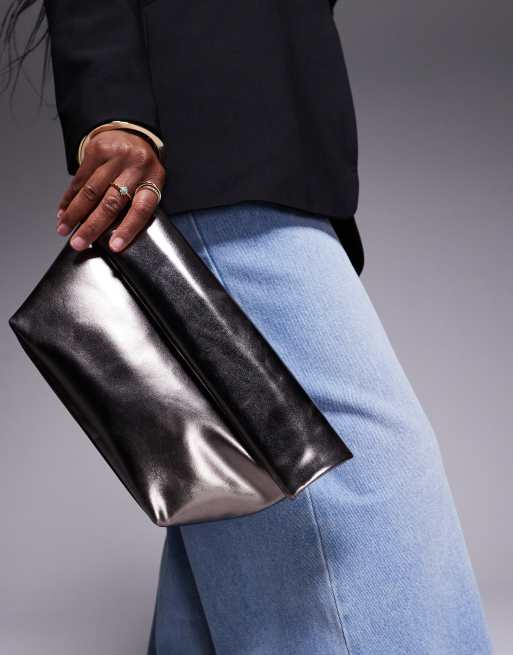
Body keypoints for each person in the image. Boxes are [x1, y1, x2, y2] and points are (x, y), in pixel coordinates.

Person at [1, 2, 493, 653]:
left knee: (239, 512)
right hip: (199, 149)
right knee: (359, 487)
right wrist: (111, 109)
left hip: (273, 152)